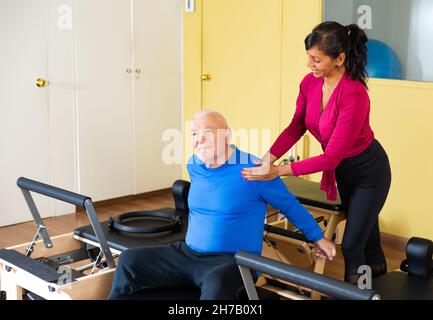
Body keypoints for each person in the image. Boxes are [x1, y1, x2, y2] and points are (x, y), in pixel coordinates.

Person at [108, 110, 336, 300]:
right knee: (130, 260)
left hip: (232, 261)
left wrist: (319, 238)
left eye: (208, 132)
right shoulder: (195, 165)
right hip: (188, 254)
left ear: (227, 135)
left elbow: (289, 206)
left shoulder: (254, 170)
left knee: (217, 284)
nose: (200, 139)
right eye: (195, 134)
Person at [241, 21, 392, 284]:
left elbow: (331, 157)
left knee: (352, 245)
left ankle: (355, 291)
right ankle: (378, 273)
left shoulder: (355, 94)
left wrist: (278, 171)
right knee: (367, 234)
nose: (309, 64)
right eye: (308, 57)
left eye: (316, 59)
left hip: (370, 172)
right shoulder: (309, 84)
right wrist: (265, 161)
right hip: (343, 172)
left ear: (339, 59)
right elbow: (295, 127)